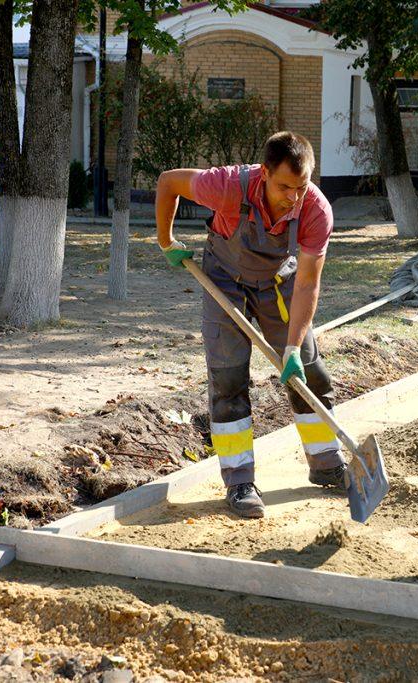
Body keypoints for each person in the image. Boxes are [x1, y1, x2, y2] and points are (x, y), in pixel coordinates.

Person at [155, 131, 347, 519]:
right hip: (224, 278)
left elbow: (307, 283)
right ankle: (239, 481)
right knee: (228, 379)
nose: (293, 197)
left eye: (301, 186)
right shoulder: (227, 186)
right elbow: (168, 182)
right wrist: (166, 240)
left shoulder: (316, 210)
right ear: (264, 173)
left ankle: (327, 462)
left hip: (278, 281)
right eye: (284, 187)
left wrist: (292, 349)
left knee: (309, 370)